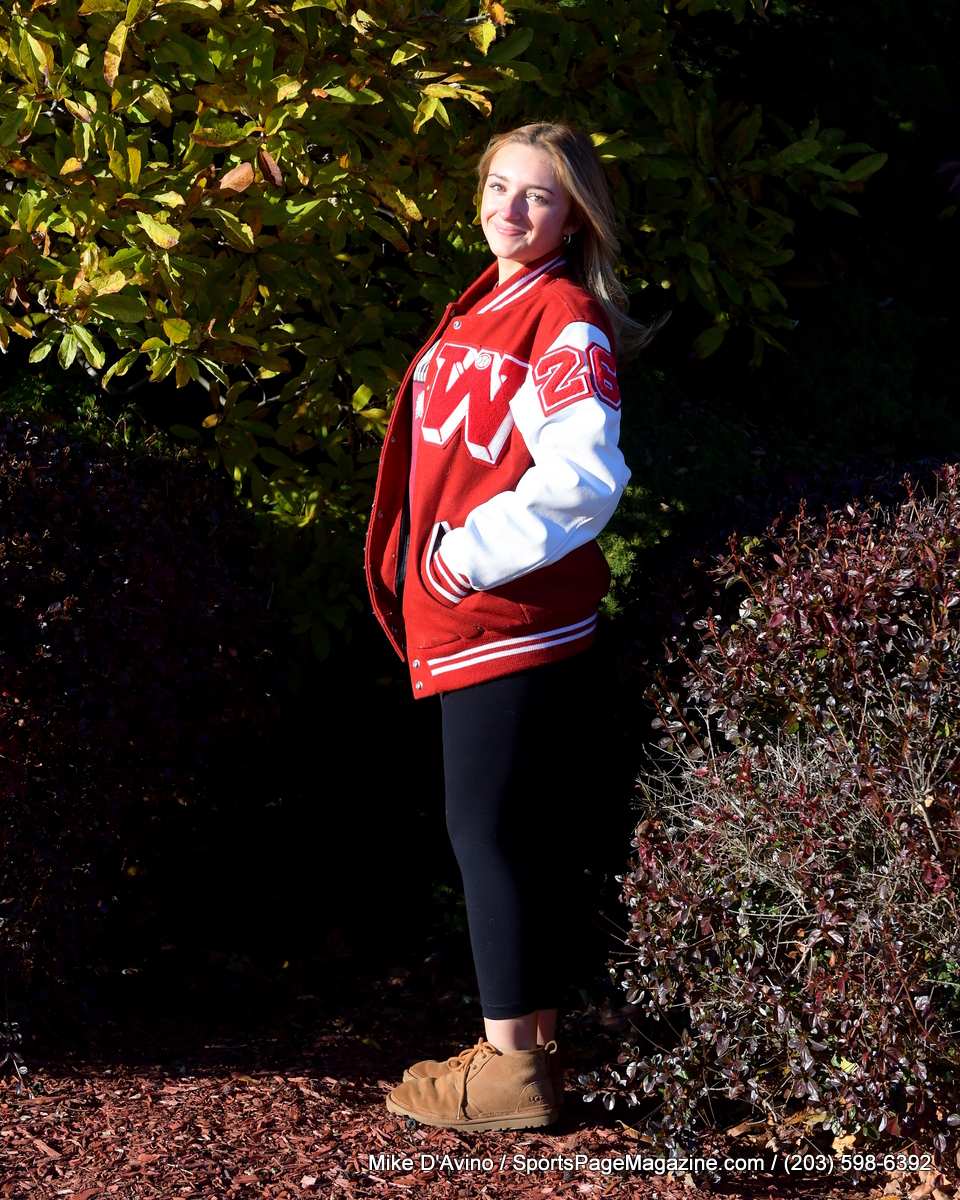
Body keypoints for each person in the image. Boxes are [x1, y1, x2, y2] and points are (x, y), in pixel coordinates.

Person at [365, 121, 659, 1132]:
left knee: (484, 830)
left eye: (538, 194)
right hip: (478, 613)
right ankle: (526, 1049)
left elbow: (585, 476)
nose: (511, 208)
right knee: (513, 831)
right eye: (498, 186)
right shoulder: (488, 303)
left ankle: (505, 1072)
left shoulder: (562, 316)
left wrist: (466, 556)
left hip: (506, 611)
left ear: (574, 215)